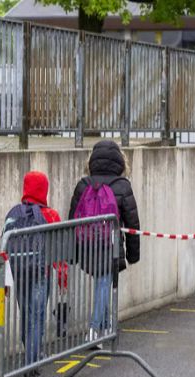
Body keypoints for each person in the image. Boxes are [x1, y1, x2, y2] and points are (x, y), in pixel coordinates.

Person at [69, 140, 140, 342]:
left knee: (102, 282)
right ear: (119, 160)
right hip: (110, 246)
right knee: (103, 283)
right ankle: (93, 331)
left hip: (86, 246)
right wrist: (133, 254)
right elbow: (133, 221)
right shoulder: (122, 185)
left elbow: (71, 220)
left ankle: (107, 325)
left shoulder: (83, 184)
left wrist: (71, 254)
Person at [2, 171, 63, 377]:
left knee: (27, 316)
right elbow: (58, 250)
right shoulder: (50, 215)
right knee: (37, 318)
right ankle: (32, 367)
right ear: (44, 190)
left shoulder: (13, 214)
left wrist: (5, 282)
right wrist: (62, 276)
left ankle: (31, 357)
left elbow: (4, 247)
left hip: (19, 273)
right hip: (40, 273)